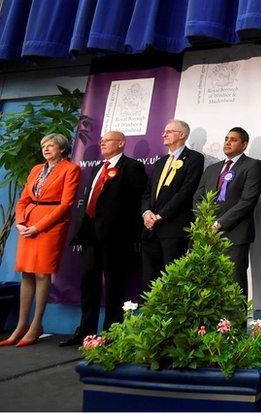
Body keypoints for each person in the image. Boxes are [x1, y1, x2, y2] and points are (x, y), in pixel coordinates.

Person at [61, 131, 147, 347]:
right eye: (102, 141)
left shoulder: (132, 167)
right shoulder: (98, 167)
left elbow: (136, 203)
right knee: (88, 284)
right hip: (91, 236)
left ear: (121, 143)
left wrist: (130, 235)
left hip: (116, 238)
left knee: (114, 286)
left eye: (107, 140)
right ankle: (85, 332)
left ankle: (111, 334)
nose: (102, 143)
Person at [0, 133, 81, 347]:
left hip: (50, 225)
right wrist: (20, 222)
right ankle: (21, 325)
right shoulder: (37, 169)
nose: (46, 149)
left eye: (51, 145)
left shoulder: (71, 169)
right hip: (28, 223)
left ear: (62, 149)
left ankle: (36, 325)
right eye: (44, 145)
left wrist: (38, 226)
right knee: (26, 272)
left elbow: (66, 205)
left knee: (42, 273)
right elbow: (24, 199)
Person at [193, 127, 261, 296]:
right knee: (208, 284)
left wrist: (219, 223)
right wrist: (204, 221)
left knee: (234, 283)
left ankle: (235, 324)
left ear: (244, 144)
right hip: (207, 234)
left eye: (233, 139)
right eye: (226, 138)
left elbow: (248, 201)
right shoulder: (211, 169)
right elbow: (197, 198)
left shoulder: (252, 165)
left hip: (235, 234)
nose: (227, 142)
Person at [140, 120, 204, 289]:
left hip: (173, 227)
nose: (164, 134)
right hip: (151, 229)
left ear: (182, 135)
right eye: (164, 131)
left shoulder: (194, 158)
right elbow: (147, 193)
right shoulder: (161, 162)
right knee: (150, 281)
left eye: (169, 131)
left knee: (172, 278)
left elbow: (187, 191)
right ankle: (149, 314)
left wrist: (161, 215)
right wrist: (147, 213)